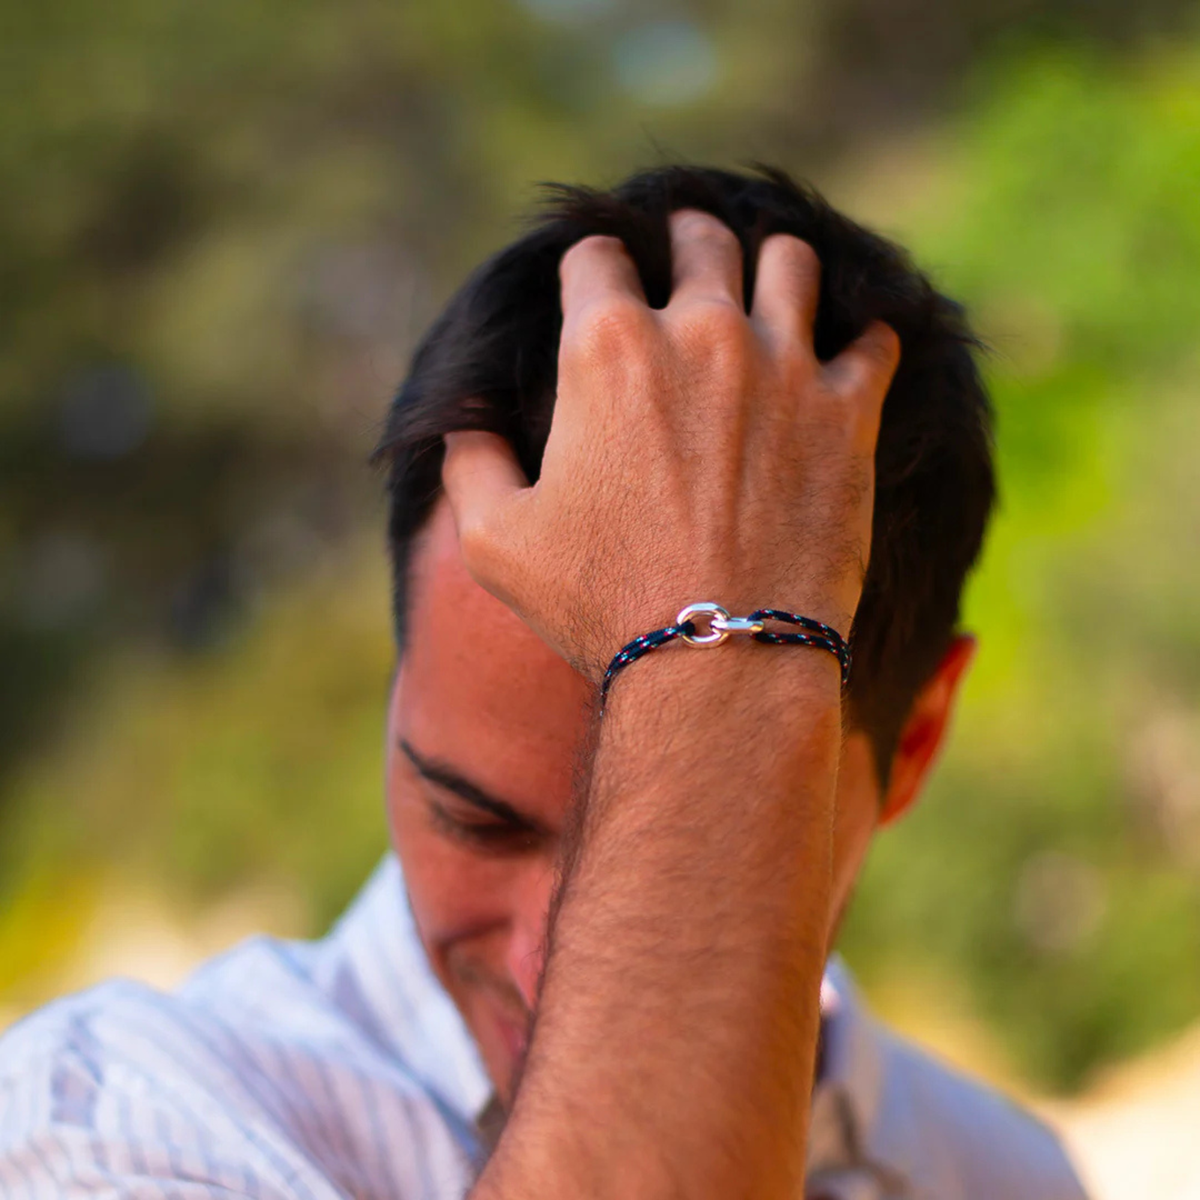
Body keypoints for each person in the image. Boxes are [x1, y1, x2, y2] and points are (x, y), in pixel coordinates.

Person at [0, 165, 1089, 1199]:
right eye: (474, 820)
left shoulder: (1006, 1176)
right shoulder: (100, 1125)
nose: (542, 971)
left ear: (917, 742)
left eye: (697, 825)